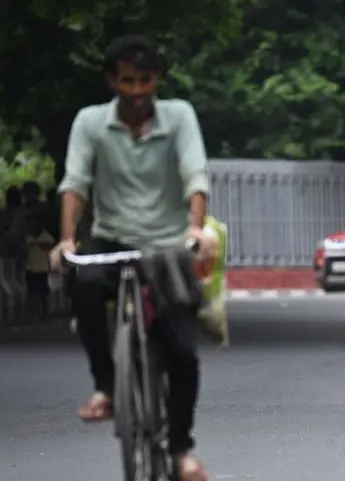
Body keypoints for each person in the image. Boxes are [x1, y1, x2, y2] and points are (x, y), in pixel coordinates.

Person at [49, 35, 215, 481]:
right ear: (112, 81)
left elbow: (194, 175)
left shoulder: (179, 116)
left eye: (145, 80)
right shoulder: (90, 123)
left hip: (167, 244)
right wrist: (66, 240)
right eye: (128, 81)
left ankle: (181, 451)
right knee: (82, 285)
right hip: (110, 238)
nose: (137, 91)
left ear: (157, 78)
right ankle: (106, 386)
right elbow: (75, 183)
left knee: (182, 351)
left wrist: (195, 228)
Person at [25, 215, 55, 321]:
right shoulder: (28, 237)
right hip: (30, 267)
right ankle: (33, 314)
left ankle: (44, 314)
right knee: (32, 293)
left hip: (42, 268)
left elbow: (49, 247)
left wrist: (36, 244)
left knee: (43, 293)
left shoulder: (46, 236)